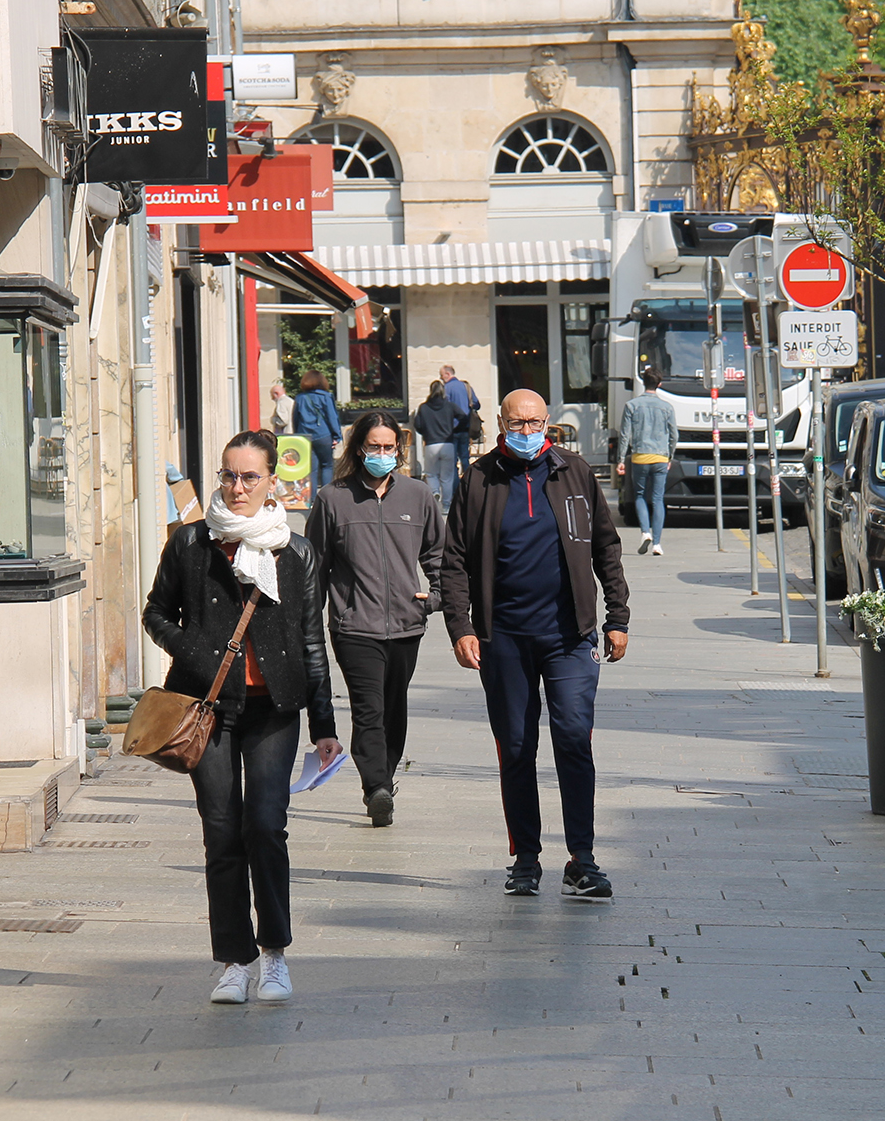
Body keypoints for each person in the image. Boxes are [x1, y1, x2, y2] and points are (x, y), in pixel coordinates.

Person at [143, 430, 339, 1006]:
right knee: (222, 831)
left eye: (249, 476)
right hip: (207, 709)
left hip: (274, 709)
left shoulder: (295, 551)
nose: (236, 486)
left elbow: (311, 642)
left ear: (273, 480)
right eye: (228, 475)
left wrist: (325, 726)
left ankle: (275, 953)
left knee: (265, 826)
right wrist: (201, 656)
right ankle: (234, 959)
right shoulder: (191, 545)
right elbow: (156, 612)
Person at [441, 389, 631, 900]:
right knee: (518, 748)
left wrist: (618, 616)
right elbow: (453, 559)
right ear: (500, 424)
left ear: (549, 424)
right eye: (516, 423)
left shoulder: (574, 472)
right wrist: (460, 626)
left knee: (573, 738)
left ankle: (582, 859)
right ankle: (525, 859)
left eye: (535, 423)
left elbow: (607, 547)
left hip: (570, 636)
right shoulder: (478, 479)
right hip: (503, 638)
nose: (527, 432)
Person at [306, 411, 444, 828]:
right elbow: (314, 565)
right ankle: (376, 787)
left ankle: (383, 776)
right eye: (374, 447)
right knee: (369, 707)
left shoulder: (418, 496)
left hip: (407, 623)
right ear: (359, 448)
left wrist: (433, 598)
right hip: (354, 626)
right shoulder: (333, 499)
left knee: (394, 708)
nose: (382, 454)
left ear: (399, 450)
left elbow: (440, 554)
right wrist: (312, 619)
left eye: (389, 447)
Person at [615, 370, 678, 556]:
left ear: (643, 382)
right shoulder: (667, 407)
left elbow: (625, 435)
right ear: (659, 384)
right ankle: (657, 544)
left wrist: (620, 459)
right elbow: (674, 435)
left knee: (640, 495)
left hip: (640, 457)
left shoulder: (631, 405)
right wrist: (669, 456)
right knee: (658, 499)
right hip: (660, 458)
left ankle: (645, 532)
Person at [292, 371, 342, 498]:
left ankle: (312, 500)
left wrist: (298, 435)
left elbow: (295, 418)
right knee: (327, 466)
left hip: (305, 437)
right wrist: (336, 435)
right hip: (323, 435)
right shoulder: (326, 396)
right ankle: (327, 497)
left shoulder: (300, 398)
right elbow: (332, 417)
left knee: (311, 470)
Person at [413, 381, 460, 513]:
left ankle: (434, 492)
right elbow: (463, 416)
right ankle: (446, 505)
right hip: (447, 443)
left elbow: (417, 424)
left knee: (431, 473)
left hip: (431, 444)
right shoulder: (450, 406)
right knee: (447, 477)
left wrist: (426, 432)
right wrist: (454, 429)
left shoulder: (424, 407)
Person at [440, 364, 482, 475]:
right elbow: (477, 404)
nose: (441, 378)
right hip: (466, 427)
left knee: (452, 460)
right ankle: (468, 481)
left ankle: (455, 486)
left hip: (452, 429)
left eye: (442, 375)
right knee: (465, 457)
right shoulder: (466, 387)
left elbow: (444, 408)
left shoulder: (446, 388)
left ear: (448, 374)